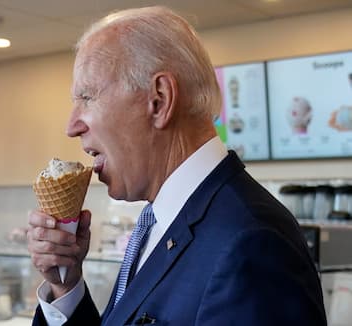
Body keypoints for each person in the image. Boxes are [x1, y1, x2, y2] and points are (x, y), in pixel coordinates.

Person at [27, 5, 326, 326]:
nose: (71, 126)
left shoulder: (251, 245)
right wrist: (65, 287)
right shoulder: (156, 222)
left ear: (159, 99)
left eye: (87, 97)